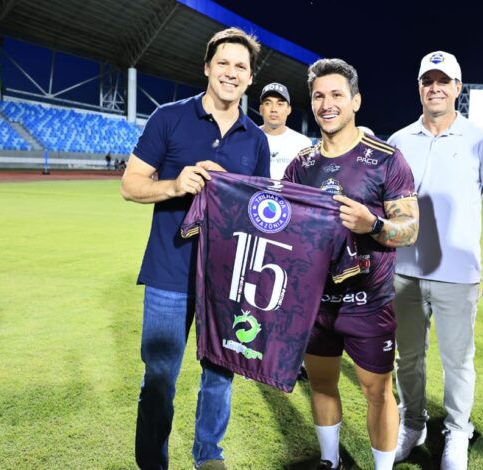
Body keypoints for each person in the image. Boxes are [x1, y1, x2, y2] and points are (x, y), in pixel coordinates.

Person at [120, 27, 270, 470]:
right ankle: (153, 461)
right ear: (207, 68)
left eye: (240, 66)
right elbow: (130, 185)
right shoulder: (169, 117)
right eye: (223, 63)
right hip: (169, 273)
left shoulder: (255, 139)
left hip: (226, 279)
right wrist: (175, 184)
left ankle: (209, 456)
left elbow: (258, 212)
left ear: (250, 78)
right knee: (160, 376)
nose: (231, 72)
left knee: (220, 374)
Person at [282, 58, 419, 470]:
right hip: (316, 303)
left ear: (355, 101)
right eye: (318, 96)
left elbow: (410, 228)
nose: (327, 104)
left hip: (368, 303)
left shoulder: (387, 159)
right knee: (322, 384)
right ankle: (330, 461)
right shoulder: (301, 165)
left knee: (377, 391)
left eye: (336, 95)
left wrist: (372, 224)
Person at [387, 50, 483, 469]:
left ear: (458, 88)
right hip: (403, 271)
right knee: (408, 357)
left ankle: (458, 431)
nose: (435, 87)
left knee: (458, 361)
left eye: (443, 81)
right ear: (419, 87)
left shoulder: (481, 139)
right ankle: (412, 423)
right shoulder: (398, 141)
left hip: (458, 274)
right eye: (428, 80)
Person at [258, 82, 312, 179]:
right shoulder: (248, 138)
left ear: (288, 110)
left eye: (280, 104)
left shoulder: (302, 143)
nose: (274, 109)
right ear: (261, 109)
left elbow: (306, 180)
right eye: (268, 103)